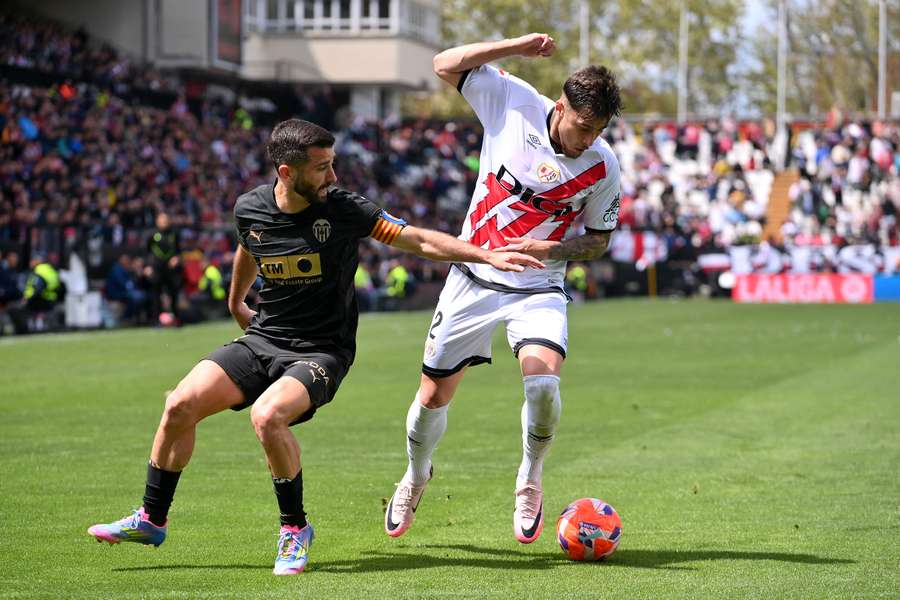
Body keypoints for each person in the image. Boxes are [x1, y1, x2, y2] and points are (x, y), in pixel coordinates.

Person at [87, 119, 542, 575]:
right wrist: (235, 301)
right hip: (263, 338)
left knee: (267, 417)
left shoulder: (344, 209)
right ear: (287, 172)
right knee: (180, 404)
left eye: (333, 164)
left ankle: (294, 529)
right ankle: (151, 518)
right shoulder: (250, 207)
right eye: (323, 167)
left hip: (322, 351)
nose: (333, 176)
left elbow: (417, 239)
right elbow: (250, 246)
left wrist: (485, 254)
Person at [384, 33, 623, 545]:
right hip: (473, 277)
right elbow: (444, 63)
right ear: (560, 107)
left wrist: (552, 252)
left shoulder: (603, 165)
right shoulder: (513, 101)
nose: (588, 138)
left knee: (543, 385)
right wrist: (515, 47)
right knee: (432, 396)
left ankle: (529, 479)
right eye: (583, 126)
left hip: (537, 287)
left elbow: (599, 241)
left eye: (598, 129)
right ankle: (415, 475)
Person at [146, 212, 183, 326]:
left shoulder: (174, 233)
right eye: (162, 220)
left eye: (166, 220)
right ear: (157, 221)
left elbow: (179, 250)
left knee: (173, 294)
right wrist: (147, 266)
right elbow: (146, 251)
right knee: (156, 295)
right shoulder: (152, 234)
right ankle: (156, 320)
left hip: (171, 269)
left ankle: (177, 320)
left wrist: (177, 258)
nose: (164, 223)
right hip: (157, 268)